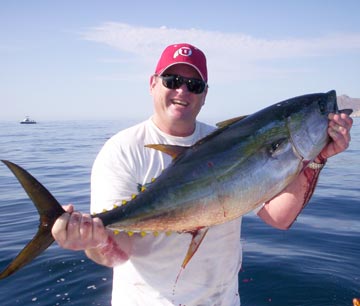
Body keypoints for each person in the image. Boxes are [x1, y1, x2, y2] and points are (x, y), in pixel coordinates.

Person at [52, 43, 353, 306]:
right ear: (153, 83)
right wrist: (92, 241)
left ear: (205, 94)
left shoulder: (226, 139)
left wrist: (317, 159)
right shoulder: (123, 150)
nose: (182, 90)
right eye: (172, 80)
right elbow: (119, 253)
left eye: (194, 85)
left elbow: (278, 218)